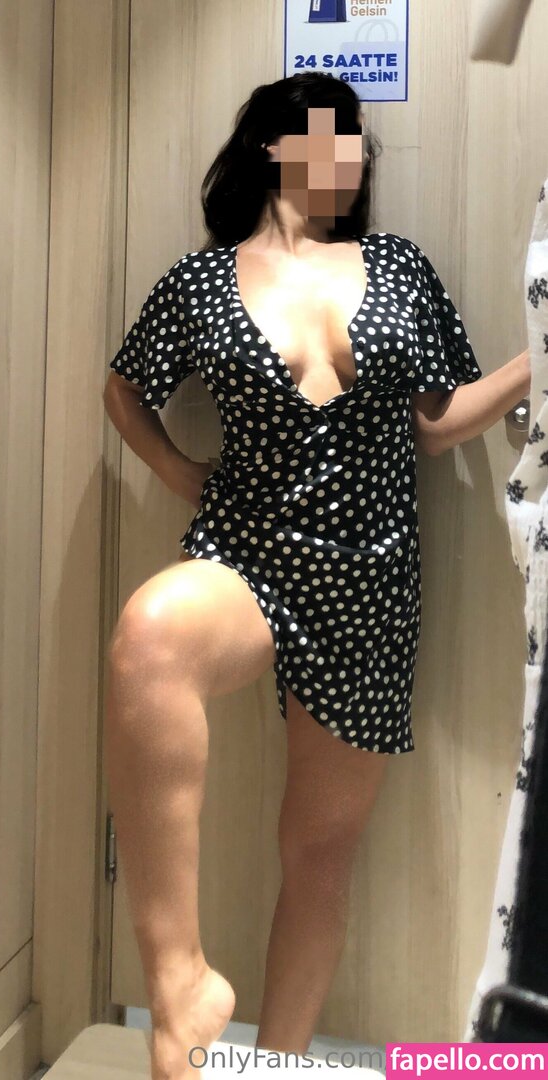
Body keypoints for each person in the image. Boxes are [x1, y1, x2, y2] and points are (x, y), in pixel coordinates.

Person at [102, 72, 530, 1079]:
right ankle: (180, 984)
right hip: (247, 551)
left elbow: (438, 422)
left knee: (320, 853)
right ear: (274, 143)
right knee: (149, 638)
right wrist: (181, 473)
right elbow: (124, 388)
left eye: (360, 142)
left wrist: (533, 365)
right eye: (339, 135)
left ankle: (277, 1066)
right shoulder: (200, 282)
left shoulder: (399, 266)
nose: (356, 155)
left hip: (371, 579)